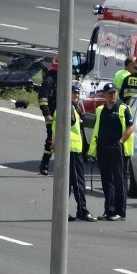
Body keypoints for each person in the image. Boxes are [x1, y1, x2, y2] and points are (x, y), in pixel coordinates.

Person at [88, 83, 134, 221]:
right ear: (104, 95)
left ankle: (120, 212)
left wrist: (120, 142)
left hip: (117, 147)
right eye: (109, 93)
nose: (112, 95)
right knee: (106, 180)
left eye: (114, 92)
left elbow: (130, 128)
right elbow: (97, 129)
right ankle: (109, 210)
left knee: (119, 180)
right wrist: (94, 150)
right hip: (103, 147)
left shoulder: (123, 108)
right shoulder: (100, 110)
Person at [51, 83, 97, 222]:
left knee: (68, 183)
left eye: (77, 93)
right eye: (73, 93)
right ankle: (82, 211)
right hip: (70, 149)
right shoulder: (67, 108)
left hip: (72, 149)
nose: (76, 95)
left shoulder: (70, 108)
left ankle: (63, 211)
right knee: (78, 183)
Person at [38, 55, 58, 175]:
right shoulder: (49, 80)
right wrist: (47, 114)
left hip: (63, 114)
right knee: (51, 138)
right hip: (52, 114)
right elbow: (42, 98)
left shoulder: (64, 79)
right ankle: (44, 163)